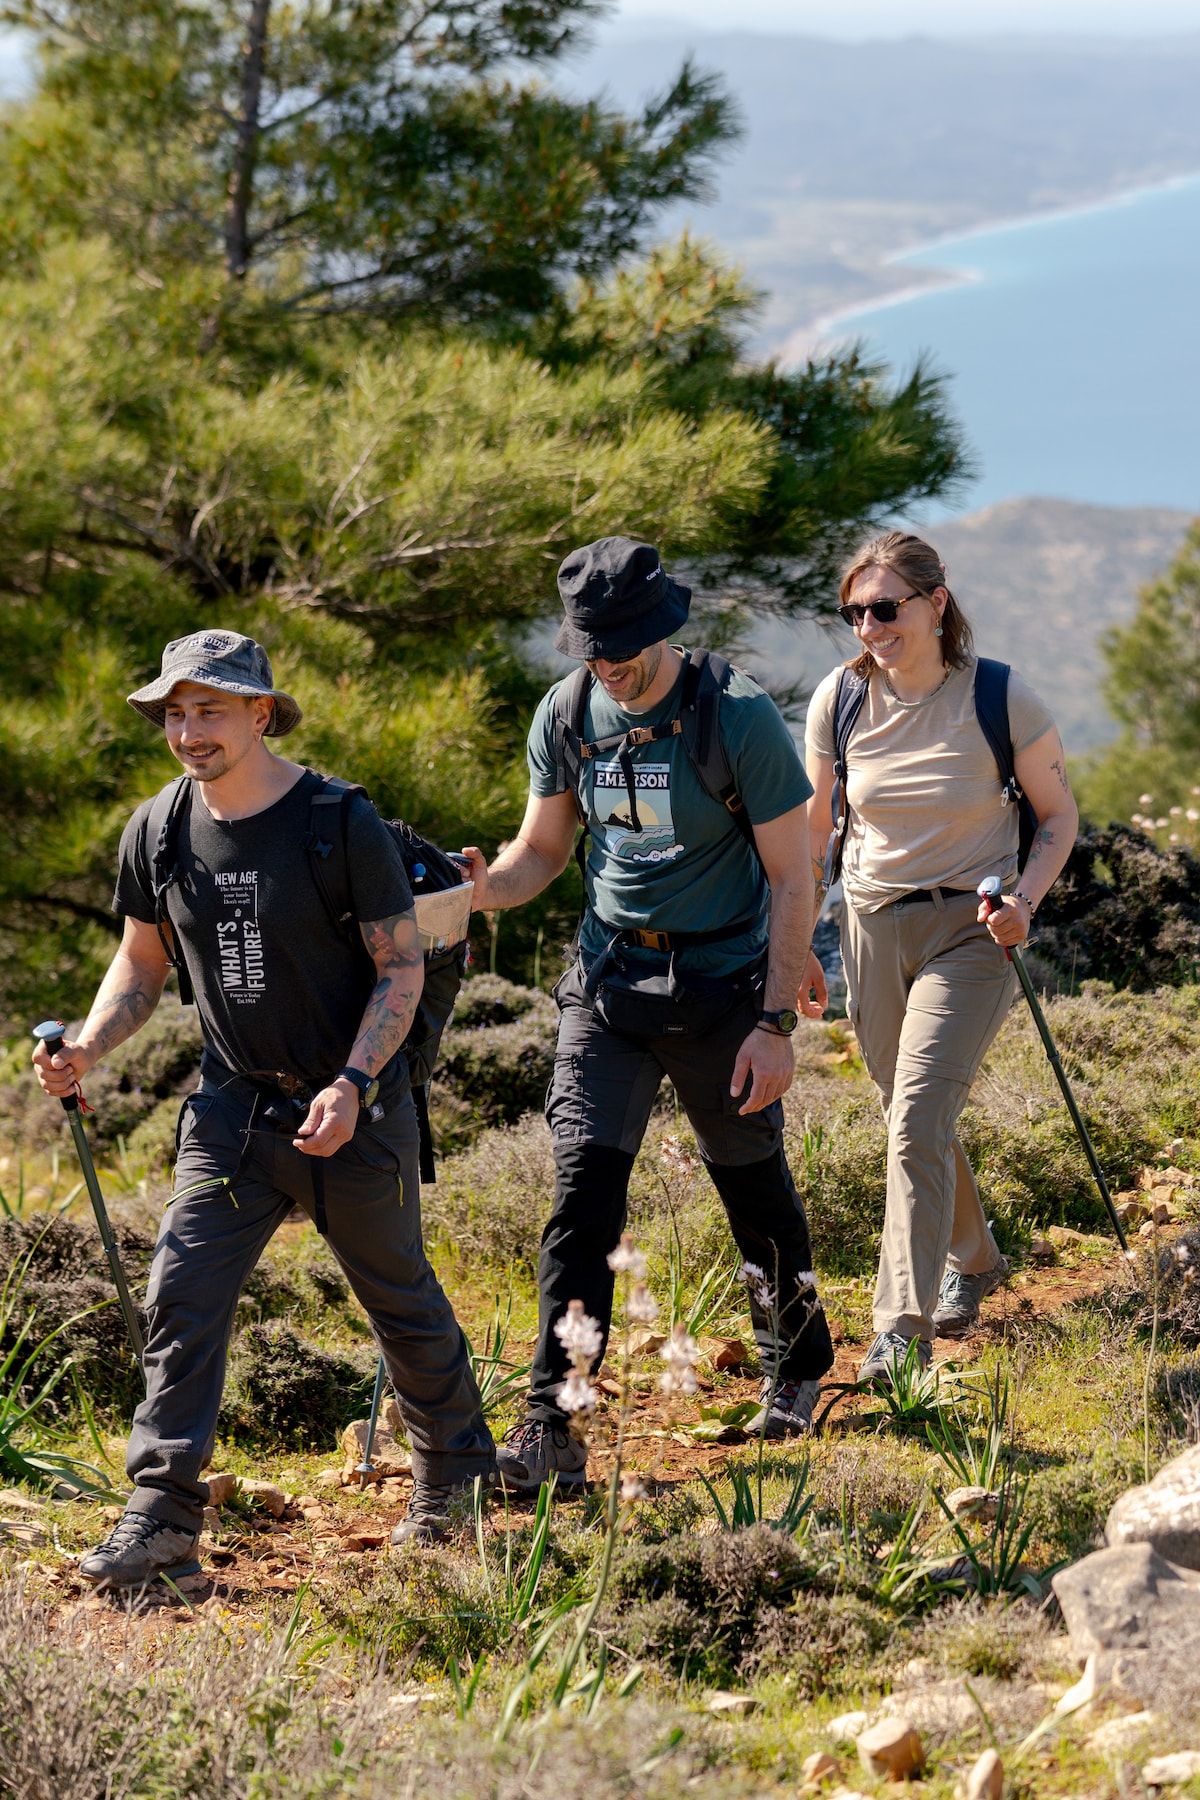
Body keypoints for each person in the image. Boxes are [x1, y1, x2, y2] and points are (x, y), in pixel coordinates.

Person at [33, 630, 495, 1586]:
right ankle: (161, 1525)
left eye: (209, 709)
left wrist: (356, 1083)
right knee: (182, 1295)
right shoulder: (157, 830)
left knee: (399, 1300)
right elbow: (143, 960)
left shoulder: (336, 821)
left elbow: (400, 964)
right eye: (174, 712)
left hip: (351, 1108)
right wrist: (86, 1044)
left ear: (261, 712)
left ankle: (454, 1481)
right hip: (233, 1109)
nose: (189, 730)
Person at [461, 536, 836, 1489]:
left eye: (625, 646)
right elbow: (541, 853)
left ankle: (797, 1364)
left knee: (749, 1181)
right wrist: (476, 891)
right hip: (609, 986)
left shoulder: (735, 714)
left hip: (724, 992)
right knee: (582, 1191)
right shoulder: (569, 711)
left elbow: (795, 878)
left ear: (665, 628)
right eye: (593, 648)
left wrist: (776, 1022)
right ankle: (553, 1420)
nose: (611, 666)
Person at [803, 531, 1078, 1382]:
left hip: (972, 927)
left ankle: (901, 1328)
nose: (870, 627)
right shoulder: (839, 702)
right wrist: (797, 945)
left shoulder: (999, 696)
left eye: (886, 608)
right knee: (903, 1112)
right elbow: (816, 835)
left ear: (935, 603)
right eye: (854, 612)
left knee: (918, 1114)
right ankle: (977, 1259)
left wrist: (1023, 903)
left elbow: (1059, 818)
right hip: (870, 926)